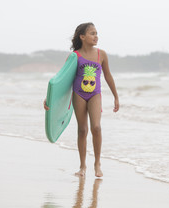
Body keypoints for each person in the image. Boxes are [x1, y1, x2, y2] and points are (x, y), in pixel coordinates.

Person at [44, 22, 119, 177]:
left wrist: (116, 97)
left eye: (96, 33)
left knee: (96, 127)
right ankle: (82, 166)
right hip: (78, 94)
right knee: (82, 129)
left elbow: (108, 76)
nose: (96, 36)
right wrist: (49, 98)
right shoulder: (74, 56)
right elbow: (61, 80)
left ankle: (97, 163)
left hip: (95, 95)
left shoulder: (101, 54)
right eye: (92, 33)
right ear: (82, 36)